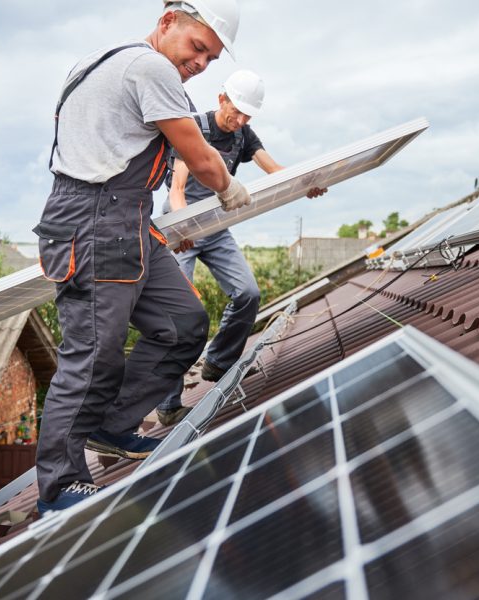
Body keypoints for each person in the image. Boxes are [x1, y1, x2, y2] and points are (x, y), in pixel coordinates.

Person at [33, 0, 251, 515]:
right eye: (198, 47)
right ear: (168, 20)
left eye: (211, 59)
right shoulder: (149, 67)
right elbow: (198, 155)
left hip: (128, 218)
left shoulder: (105, 65)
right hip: (92, 219)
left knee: (183, 322)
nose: (200, 63)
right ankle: (60, 484)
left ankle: (113, 425)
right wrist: (228, 186)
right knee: (93, 355)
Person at [155, 69, 326, 426]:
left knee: (248, 292)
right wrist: (183, 227)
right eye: (237, 111)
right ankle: (169, 404)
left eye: (249, 115)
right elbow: (177, 191)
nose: (241, 120)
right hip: (183, 228)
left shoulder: (243, 135)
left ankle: (217, 362)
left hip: (217, 228)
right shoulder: (194, 128)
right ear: (222, 99)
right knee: (179, 315)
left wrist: (306, 183)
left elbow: (274, 169)